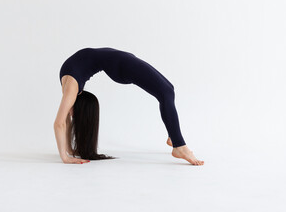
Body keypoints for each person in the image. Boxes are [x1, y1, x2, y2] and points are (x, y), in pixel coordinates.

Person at [54, 47, 204, 165]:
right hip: (118, 61)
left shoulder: (71, 89)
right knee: (166, 92)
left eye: (73, 113)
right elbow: (64, 121)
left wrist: (65, 156)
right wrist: (66, 152)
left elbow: (59, 123)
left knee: (168, 90)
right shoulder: (69, 86)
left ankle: (174, 138)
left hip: (120, 63)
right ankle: (179, 146)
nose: (71, 114)